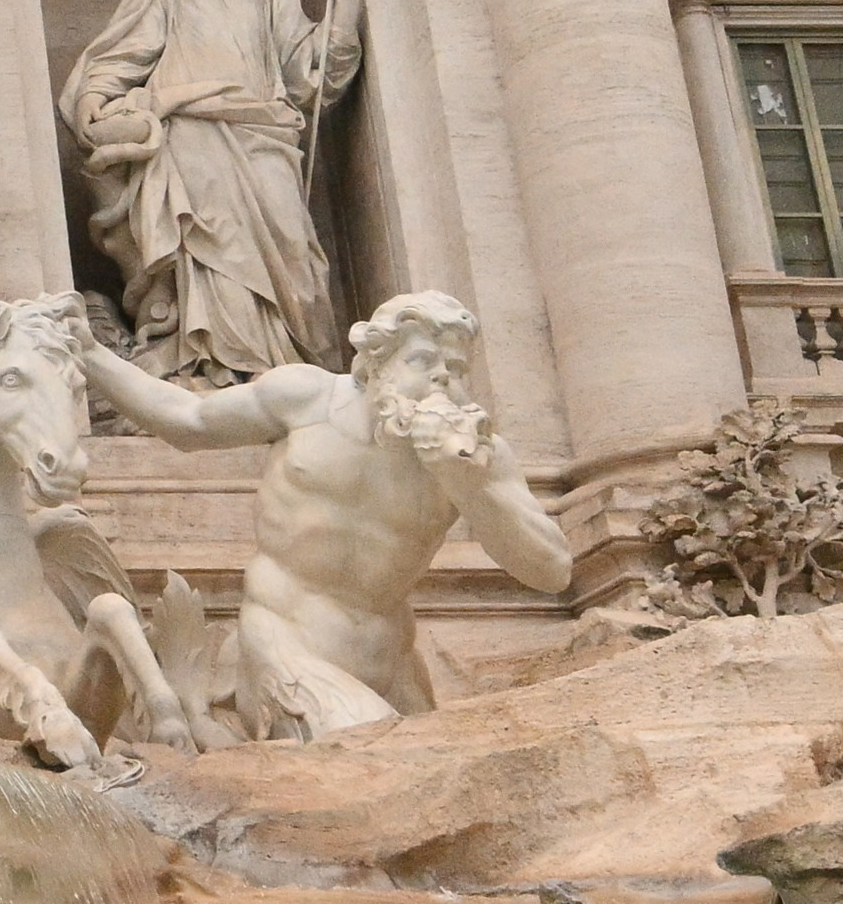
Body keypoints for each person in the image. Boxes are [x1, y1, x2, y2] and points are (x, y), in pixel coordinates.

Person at [96, 291, 572, 731]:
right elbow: (187, 420)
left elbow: (552, 570)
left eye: (455, 367)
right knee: (389, 761)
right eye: (422, 360)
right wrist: (87, 354)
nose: (441, 378)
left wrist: (468, 483)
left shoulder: (479, 455)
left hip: (392, 666)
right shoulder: (307, 399)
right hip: (286, 646)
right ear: (374, 365)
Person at [62, 0, 359, 378]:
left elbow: (308, 71)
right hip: (192, 131)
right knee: (207, 243)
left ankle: (285, 363)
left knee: (291, 250)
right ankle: (212, 363)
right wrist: (95, 91)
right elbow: (125, 52)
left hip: (262, 131)